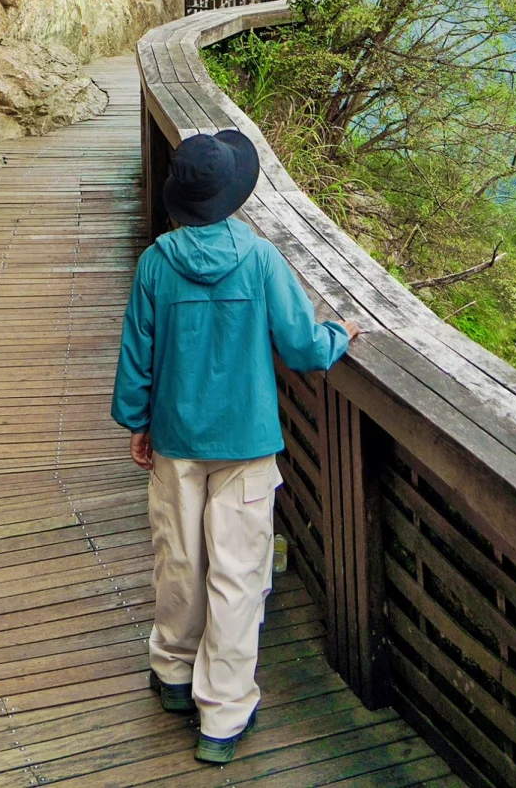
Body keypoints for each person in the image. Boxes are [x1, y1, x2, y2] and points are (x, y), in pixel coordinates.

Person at [111, 129, 361, 764]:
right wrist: (340, 334)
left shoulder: (155, 264)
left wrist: (138, 423)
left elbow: (137, 359)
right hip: (246, 442)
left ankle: (171, 672)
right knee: (237, 573)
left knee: (179, 558)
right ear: (231, 196)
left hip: (175, 438)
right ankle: (221, 713)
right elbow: (303, 346)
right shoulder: (260, 258)